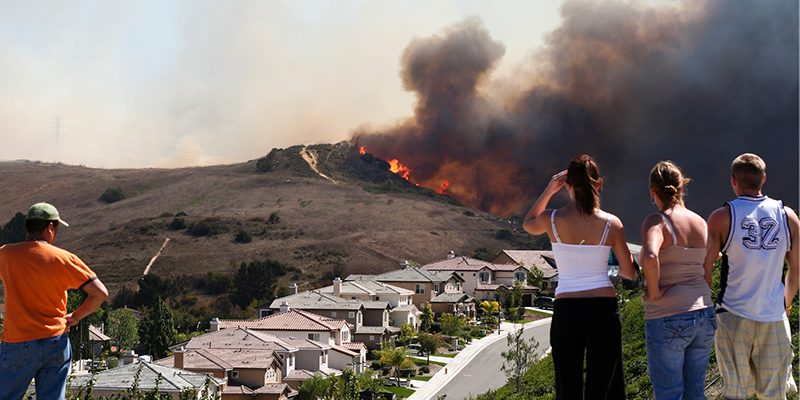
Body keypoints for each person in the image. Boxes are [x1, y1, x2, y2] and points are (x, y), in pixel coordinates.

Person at [523, 154, 637, 399]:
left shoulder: (552, 219)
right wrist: (605, 268)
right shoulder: (612, 223)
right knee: (604, 389)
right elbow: (629, 272)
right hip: (603, 311)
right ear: (598, 185)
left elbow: (528, 223)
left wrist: (549, 190)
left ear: (567, 185)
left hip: (567, 311)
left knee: (568, 387)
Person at [704, 153, 798, 400]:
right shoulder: (788, 217)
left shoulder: (722, 217)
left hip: (733, 315)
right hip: (774, 318)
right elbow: (796, 269)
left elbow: (705, 268)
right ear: (763, 179)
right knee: (775, 395)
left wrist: (703, 309)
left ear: (733, 181)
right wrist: (785, 304)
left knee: (735, 394)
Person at [0, 202, 108, 400]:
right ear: (50, 228)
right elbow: (100, 293)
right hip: (56, 341)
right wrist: (76, 316)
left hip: (17, 342)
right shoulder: (65, 258)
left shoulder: (5, 254)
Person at [640, 161, 716, 399]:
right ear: (681, 188)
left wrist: (654, 293)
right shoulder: (701, 223)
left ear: (652, 191)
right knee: (695, 391)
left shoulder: (656, 222)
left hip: (668, 316)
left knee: (669, 394)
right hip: (705, 313)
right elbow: (708, 267)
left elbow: (651, 257)